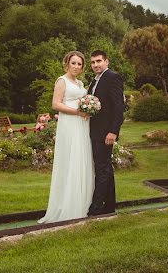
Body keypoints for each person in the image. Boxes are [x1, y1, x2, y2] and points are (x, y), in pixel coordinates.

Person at [38, 50, 94, 223]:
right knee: (71, 159)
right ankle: (68, 207)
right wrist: (78, 112)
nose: (76, 66)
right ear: (67, 63)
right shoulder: (61, 81)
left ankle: (83, 204)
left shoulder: (80, 83)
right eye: (73, 63)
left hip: (82, 125)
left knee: (81, 159)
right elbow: (55, 104)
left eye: (79, 64)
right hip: (69, 124)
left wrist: (89, 109)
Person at [86, 50, 124, 216]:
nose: (96, 65)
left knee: (102, 169)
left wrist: (113, 131)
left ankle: (95, 208)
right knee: (105, 168)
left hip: (106, 133)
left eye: (99, 61)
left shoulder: (112, 77)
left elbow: (118, 107)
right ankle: (109, 206)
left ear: (106, 61)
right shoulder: (94, 81)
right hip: (95, 131)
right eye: (93, 62)